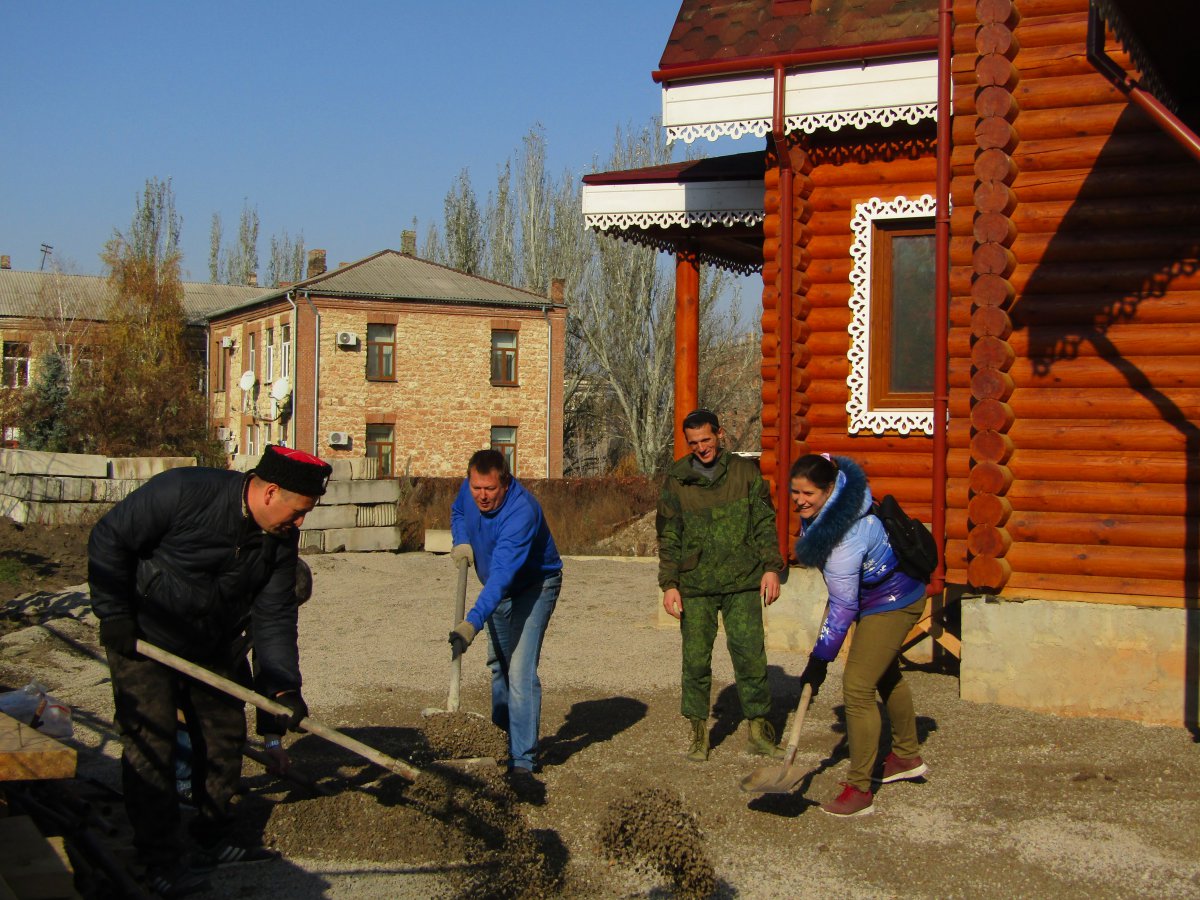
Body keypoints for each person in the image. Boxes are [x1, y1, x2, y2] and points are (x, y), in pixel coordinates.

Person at [88, 445, 331, 897]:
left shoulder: (278, 539)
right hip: (144, 635)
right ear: (270, 491)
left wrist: (280, 689)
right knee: (152, 743)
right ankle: (159, 858)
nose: (300, 524)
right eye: (298, 513)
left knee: (224, 735)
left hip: (211, 643)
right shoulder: (183, 491)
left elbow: (274, 615)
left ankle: (211, 835)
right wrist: (113, 614)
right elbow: (109, 538)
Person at [790, 452, 929, 817]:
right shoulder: (826, 512)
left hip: (894, 598)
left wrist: (819, 660)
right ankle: (906, 754)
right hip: (869, 594)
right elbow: (841, 591)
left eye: (808, 493)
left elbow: (843, 608)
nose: (800, 500)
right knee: (882, 672)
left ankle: (860, 788)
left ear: (830, 490)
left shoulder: (846, 534)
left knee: (857, 685)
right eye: (795, 493)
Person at [657, 408, 785, 762]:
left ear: (720, 435)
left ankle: (759, 729)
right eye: (694, 443)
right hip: (695, 586)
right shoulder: (677, 480)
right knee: (696, 660)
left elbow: (763, 521)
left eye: (707, 440)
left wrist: (771, 568)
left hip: (742, 581)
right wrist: (670, 584)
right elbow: (668, 536)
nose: (702, 448)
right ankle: (699, 732)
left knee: (750, 655)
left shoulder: (745, 473)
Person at [449, 449, 562, 797]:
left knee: (520, 671)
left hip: (534, 586)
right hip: (498, 588)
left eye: (490, 489)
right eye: (477, 488)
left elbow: (500, 578)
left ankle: (524, 762)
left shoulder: (521, 512)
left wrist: (472, 622)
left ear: (506, 482)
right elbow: (457, 512)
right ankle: (501, 743)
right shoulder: (468, 494)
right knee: (499, 665)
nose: (482, 496)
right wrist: (461, 540)